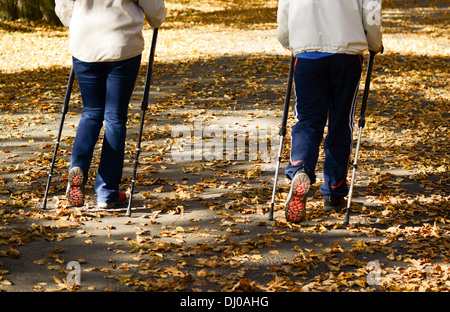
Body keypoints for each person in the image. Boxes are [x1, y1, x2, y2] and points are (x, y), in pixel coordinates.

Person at [277, 0, 383, 223]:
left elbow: (284, 13)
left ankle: (300, 169)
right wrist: (374, 44)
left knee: (307, 120)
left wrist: (289, 42)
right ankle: (334, 191)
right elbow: (371, 12)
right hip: (346, 55)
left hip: (307, 54)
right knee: (340, 122)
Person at [54, 0, 166, 208]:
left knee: (91, 113)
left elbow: (64, 4)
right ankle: (107, 193)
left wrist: (76, 22)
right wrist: (157, 17)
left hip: (85, 43)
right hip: (121, 45)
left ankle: (77, 168)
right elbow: (153, 7)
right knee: (115, 118)